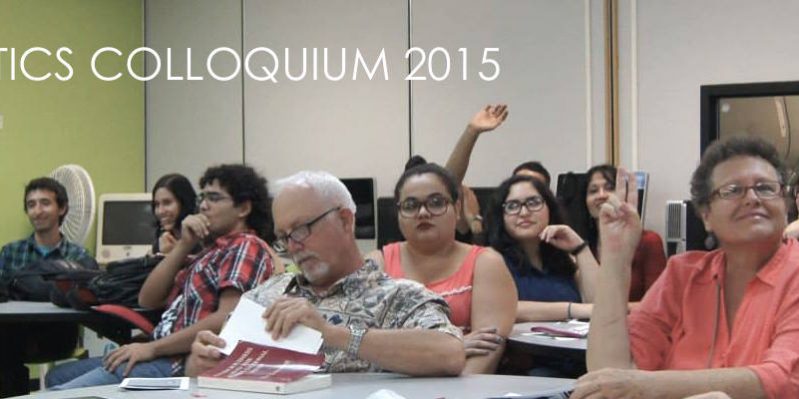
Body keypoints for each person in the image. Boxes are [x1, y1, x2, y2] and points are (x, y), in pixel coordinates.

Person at [574, 138, 799, 398]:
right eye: (733, 190)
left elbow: (784, 379)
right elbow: (609, 375)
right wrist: (616, 257)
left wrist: (645, 386)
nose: (752, 198)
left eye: (765, 188)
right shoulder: (683, 275)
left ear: (784, 206)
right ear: (706, 216)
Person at [185, 171, 465, 377]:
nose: (293, 246)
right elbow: (208, 365)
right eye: (284, 237)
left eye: (301, 229)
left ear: (345, 220)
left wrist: (332, 334)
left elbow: (449, 353)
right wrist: (200, 363)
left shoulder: (400, 297)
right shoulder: (264, 295)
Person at [46, 164, 279, 389]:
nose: (204, 206)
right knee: (57, 377)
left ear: (243, 208)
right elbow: (147, 299)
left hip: (181, 363)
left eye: (214, 198)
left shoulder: (245, 246)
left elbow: (226, 319)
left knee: (58, 395)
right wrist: (184, 245)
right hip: (163, 355)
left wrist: (153, 348)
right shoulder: (211, 251)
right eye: (203, 199)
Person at [369, 163, 517, 374]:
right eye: (410, 205)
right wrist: (453, 347)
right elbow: (361, 343)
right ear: (399, 215)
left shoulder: (486, 263)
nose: (423, 213)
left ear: (457, 209)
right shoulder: (377, 265)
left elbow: (487, 350)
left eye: (436, 203)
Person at [0, 177, 95, 397]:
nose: (37, 210)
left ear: (61, 208)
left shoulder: (78, 257)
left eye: (45, 203)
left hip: (58, 336)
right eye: (31, 205)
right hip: (13, 334)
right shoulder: (11, 252)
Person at [487, 175, 599, 322]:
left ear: (550, 209)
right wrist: (574, 309)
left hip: (571, 343)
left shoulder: (562, 260)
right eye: (512, 206)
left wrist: (580, 248)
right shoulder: (491, 260)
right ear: (501, 217)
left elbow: (600, 304)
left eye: (533, 203)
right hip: (519, 344)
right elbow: (502, 308)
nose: (524, 213)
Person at [576, 164, 666, 301]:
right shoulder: (582, 245)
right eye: (593, 191)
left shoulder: (649, 241)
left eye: (610, 188)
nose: (601, 195)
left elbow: (658, 305)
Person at [445, 103, 552, 186]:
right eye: (519, 185)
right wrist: (472, 131)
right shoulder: (495, 214)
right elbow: (448, 185)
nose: (526, 191)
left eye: (536, 188)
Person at [150, 173, 197, 255]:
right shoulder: (163, 241)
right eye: (157, 204)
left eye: (167, 203)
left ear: (184, 203)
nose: (160, 211)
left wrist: (171, 255)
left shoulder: (201, 240)